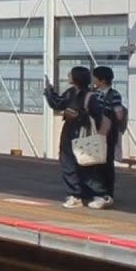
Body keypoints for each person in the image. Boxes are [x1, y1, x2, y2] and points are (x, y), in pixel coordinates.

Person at [44, 66, 112, 209]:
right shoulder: (70, 92)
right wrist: (49, 92)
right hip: (69, 132)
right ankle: (75, 195)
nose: (68, 76)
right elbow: (58, 103)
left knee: (85, 165)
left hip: (83, 133)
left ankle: (102, 195)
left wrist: (80, 116)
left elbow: (98, 117)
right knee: (68, 164)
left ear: (76, 78)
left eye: (71, 74)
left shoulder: (89, 96)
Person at [93, 66, 127, 202]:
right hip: (102, 132)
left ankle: (105, 192)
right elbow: (119, 114)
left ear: (101, 80)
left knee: (104, 163)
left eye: (95, 78)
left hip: (106, 133)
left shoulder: (99, 95)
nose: (93, 80)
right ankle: (103, 191)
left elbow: (119, 115)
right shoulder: (114, 94)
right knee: (103, 162)